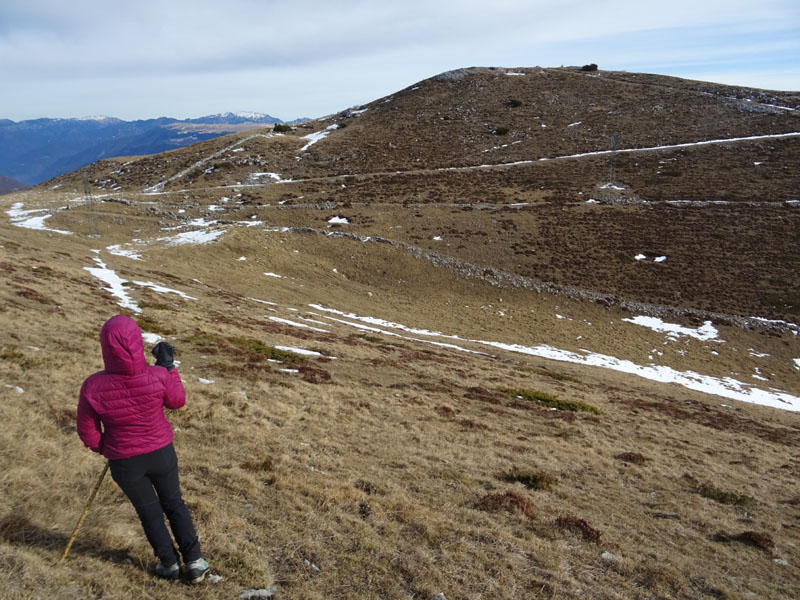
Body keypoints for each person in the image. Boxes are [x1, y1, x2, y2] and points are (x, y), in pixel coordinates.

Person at [77, 314, 209, 584]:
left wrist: (107, 447)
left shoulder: (93, 386)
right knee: (174, 504)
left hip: (125, 461)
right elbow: (177, 401)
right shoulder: (158, 375)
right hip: (161, 452)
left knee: (148, 511)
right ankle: (194, 562)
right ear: (137, 342)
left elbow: (87, 430)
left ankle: (169, 564)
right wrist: (169, 367)